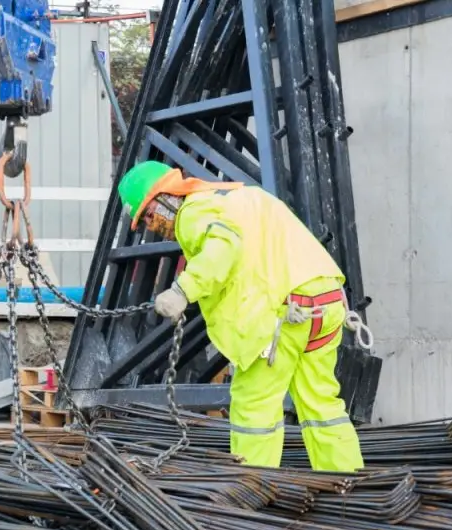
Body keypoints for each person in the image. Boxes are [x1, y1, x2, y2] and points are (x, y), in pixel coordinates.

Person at [116, 160, 367, 472]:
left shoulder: (193, 211)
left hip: (284, 315)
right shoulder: (240, 198)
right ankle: (345, 479)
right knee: (321, 403)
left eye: (149, 215)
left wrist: (182, 291)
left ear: (166, 196)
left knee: (254, 409)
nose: (152, 226)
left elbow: (223, 248)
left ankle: (252, 490)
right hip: (325, 304)